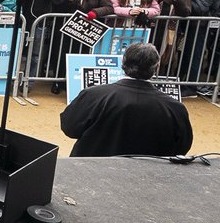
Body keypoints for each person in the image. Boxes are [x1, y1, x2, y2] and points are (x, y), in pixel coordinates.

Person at [59, 43, 193, 157]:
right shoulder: (174, 108)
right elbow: (182, 147)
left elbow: (70, 127)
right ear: (156, 67)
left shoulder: (93, 95)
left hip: (92, 170)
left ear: (123, 63)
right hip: (146, 177)